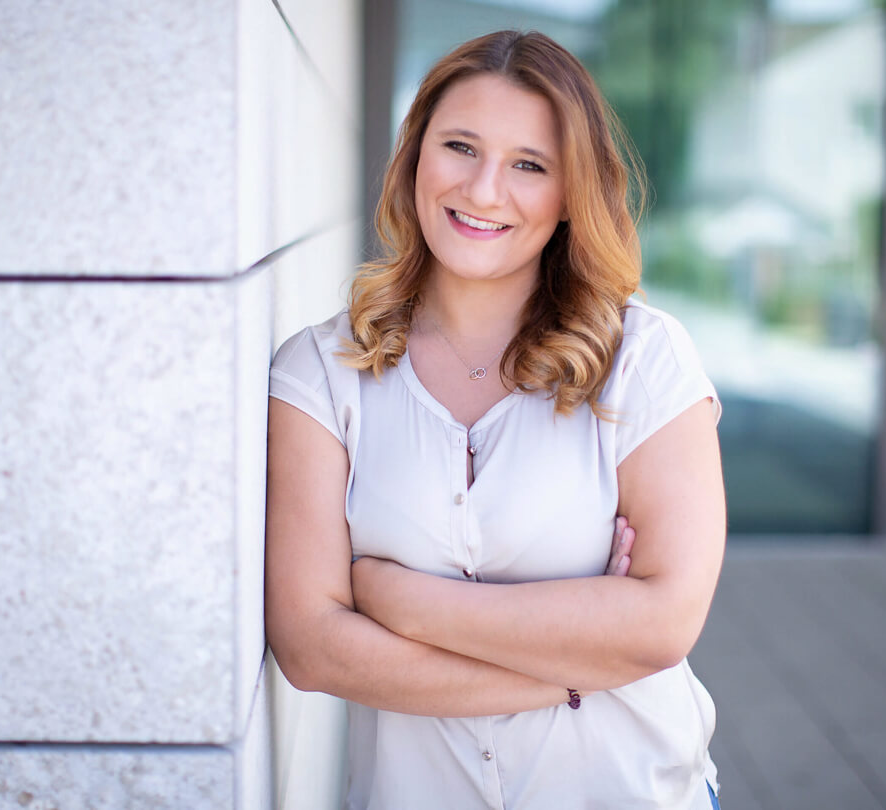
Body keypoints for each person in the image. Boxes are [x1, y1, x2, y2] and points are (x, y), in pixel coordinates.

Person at [266, 29, 725, 810]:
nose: (483, 191)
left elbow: (660, 626)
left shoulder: (645, 360)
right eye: (460, 146)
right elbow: (313, 650)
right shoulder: (318, 373)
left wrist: (398, 602)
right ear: (415, 156)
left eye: (529, 165)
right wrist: (579, 661)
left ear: (571, 192)